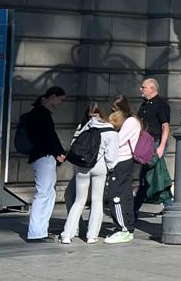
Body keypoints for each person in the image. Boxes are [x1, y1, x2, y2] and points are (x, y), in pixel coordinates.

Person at [60, 104, 116, 244]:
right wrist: (110, 167)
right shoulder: (110, 130)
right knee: (97, 201)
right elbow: (112, 156)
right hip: (100, 166)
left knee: (79, 201)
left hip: (83, 166)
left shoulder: (85, 127)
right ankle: (92, 236)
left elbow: (74, 146)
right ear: (102, 114)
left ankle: (67, 235)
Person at [20, 86, 68, 242]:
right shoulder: (41, 114)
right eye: (60, 99)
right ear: (53, 96)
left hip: (42, 156)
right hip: (44, 156)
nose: (60, 103)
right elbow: (48, 137)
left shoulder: (38, 113)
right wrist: (58, 152)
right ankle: (36, 232)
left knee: (47, 193)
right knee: (44, 194)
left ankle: (40, 231)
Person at [105, 97, 142, 243]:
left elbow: (117, 141)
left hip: (122, 160)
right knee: (125, 195)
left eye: (115, 110)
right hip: (124, 160)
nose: (113, 112)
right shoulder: (132, 121)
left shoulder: (131, 122)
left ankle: (123, 229)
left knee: (116, 196)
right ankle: (127, 227)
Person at [135, 77, 172, 216]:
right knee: (152, 176)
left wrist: (161, 147)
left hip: (155, 143)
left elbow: (165, 126)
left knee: (151, 176)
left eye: (143, 87)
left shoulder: (161, 104)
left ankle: (133, 210)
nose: (141, 89)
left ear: (152, 88)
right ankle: (169, 206)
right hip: (145, 145)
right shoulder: (144, 105)